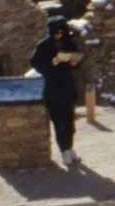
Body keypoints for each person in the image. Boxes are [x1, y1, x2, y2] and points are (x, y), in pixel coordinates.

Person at [28, 15, 86, 167]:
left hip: (67, 85)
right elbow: (36, 62)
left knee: (69, 122)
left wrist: (74, 63)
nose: (59, 36)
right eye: (57, 33)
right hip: (53, 87)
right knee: (59, 122)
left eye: (61, 32)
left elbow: (77, 59)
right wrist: (51, 63)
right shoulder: (44, 45)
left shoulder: (67, 42)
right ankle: (64, 150)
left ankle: (70, 147)